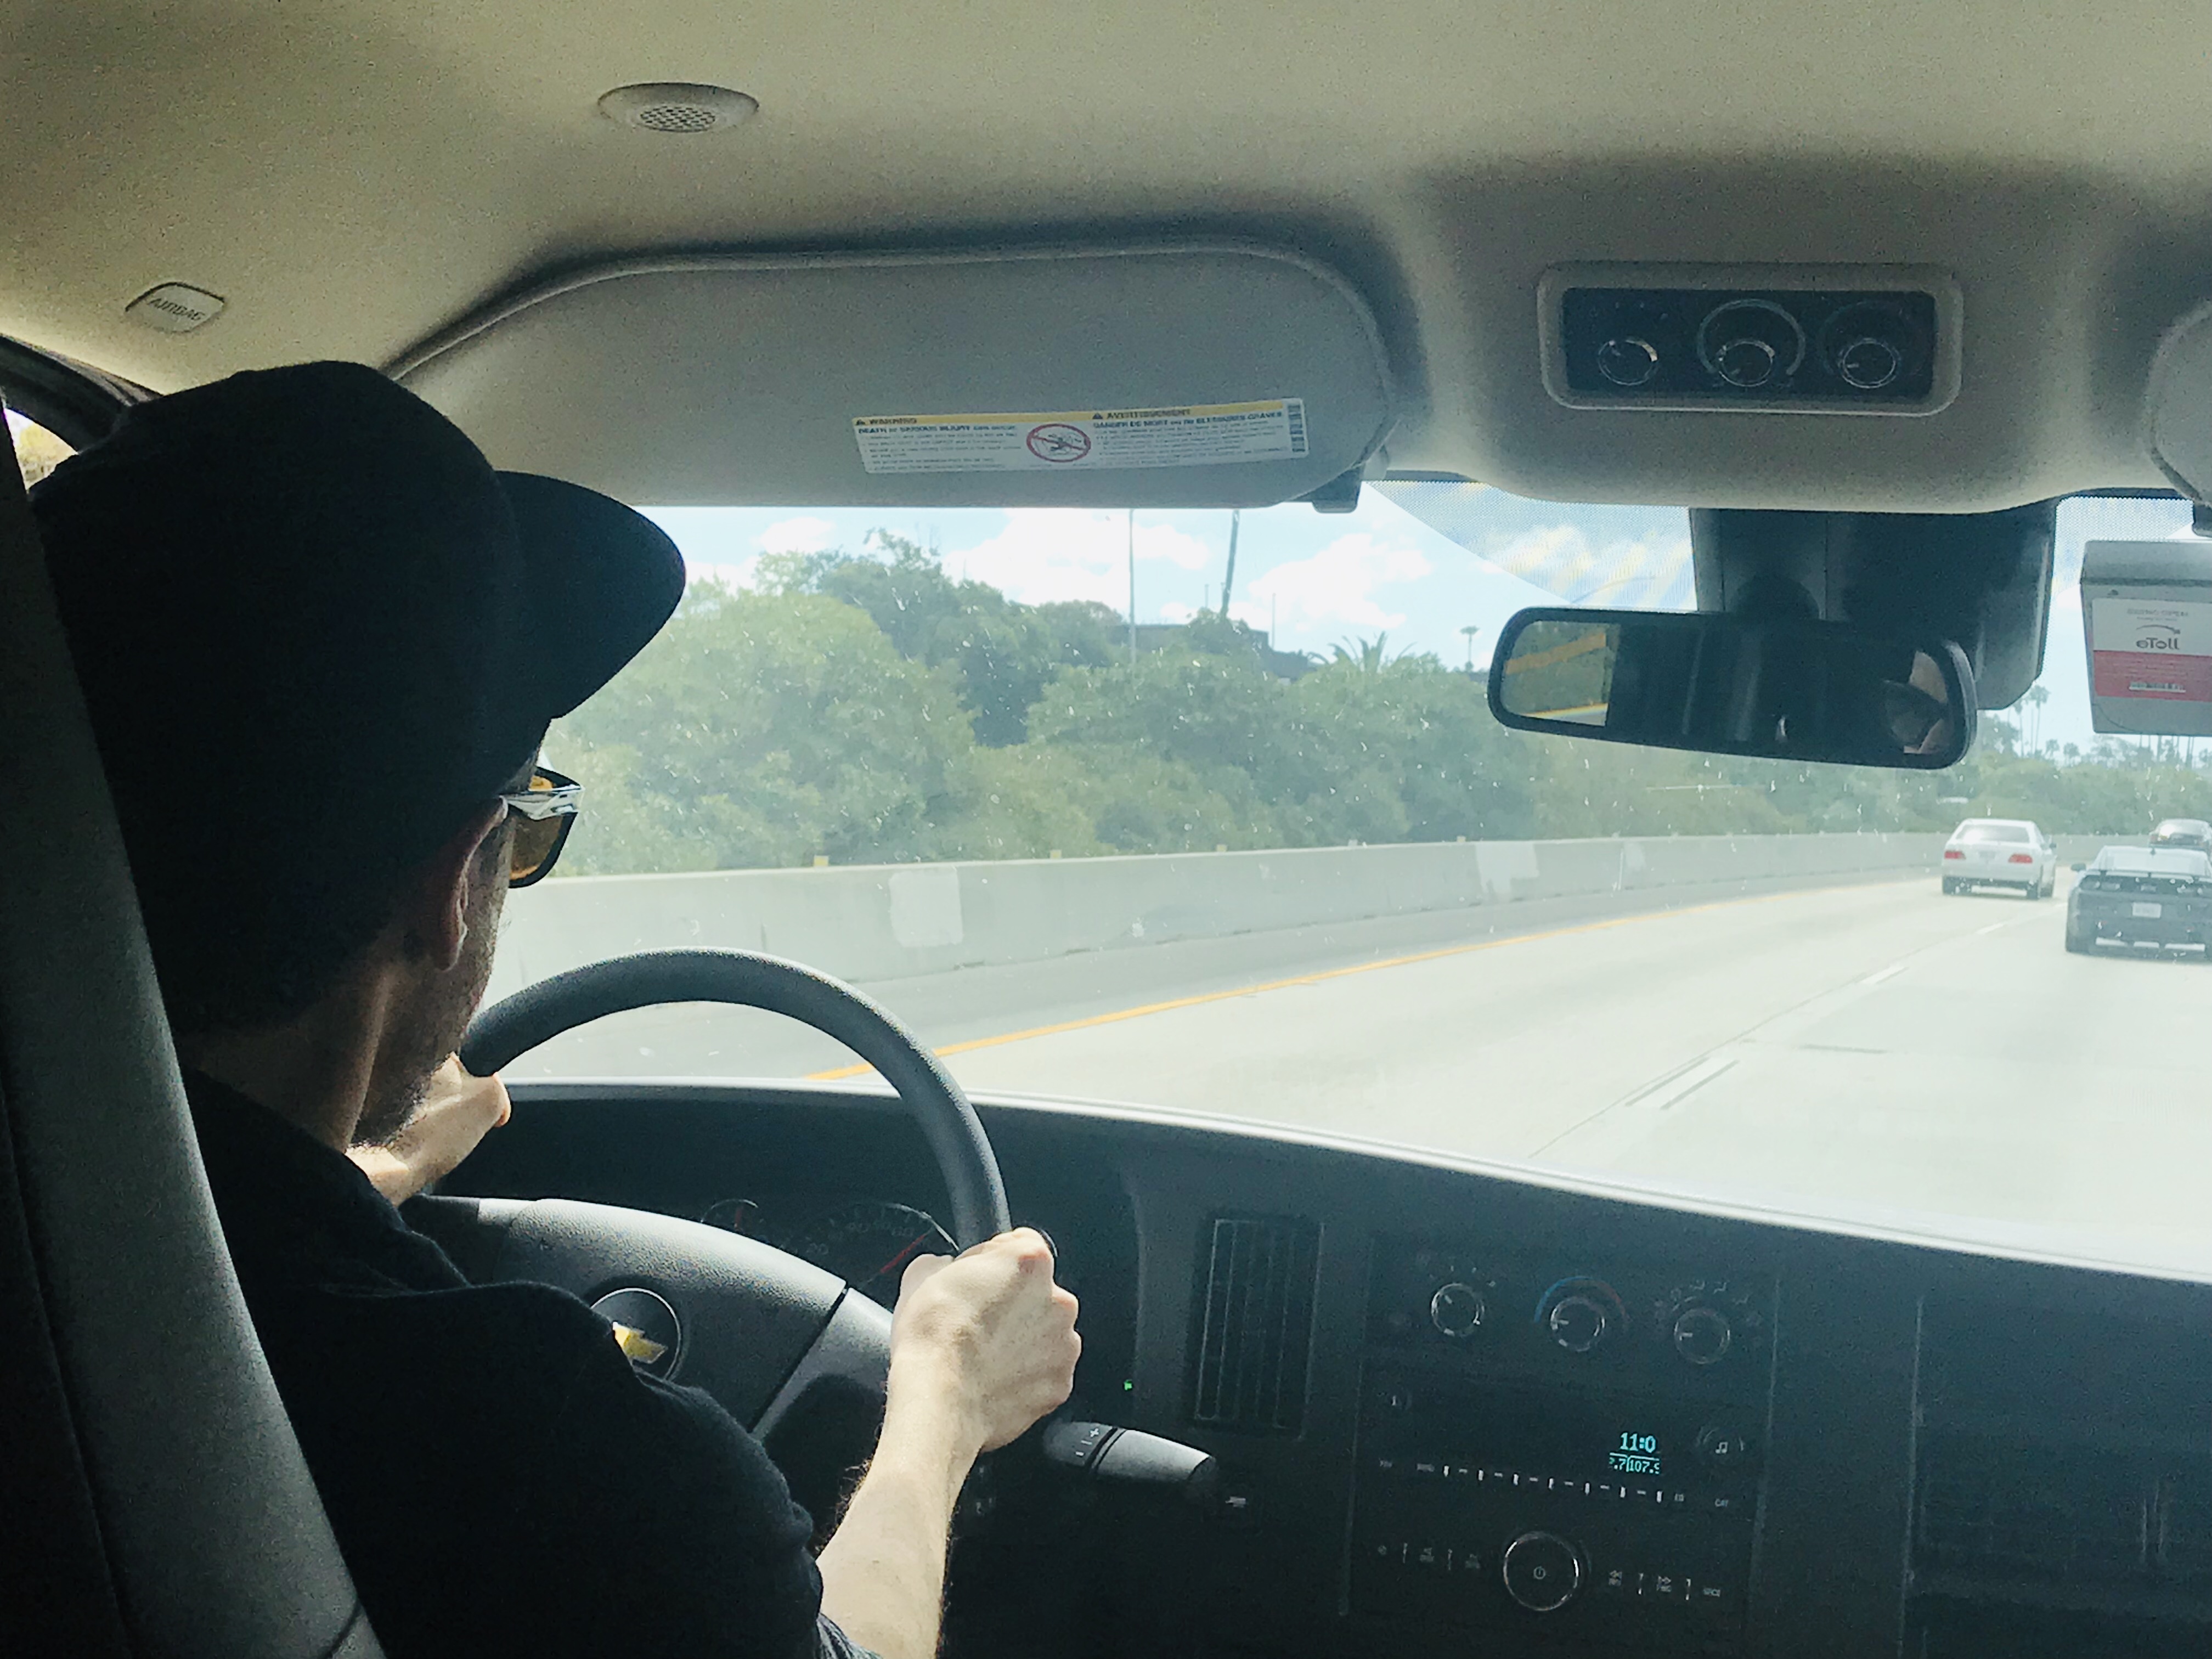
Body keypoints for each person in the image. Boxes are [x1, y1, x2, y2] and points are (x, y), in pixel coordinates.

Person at [31, 362, 1080, 1659]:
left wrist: (365, 1173)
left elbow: (177, 1246)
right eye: (527, 829)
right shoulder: (542, 1452)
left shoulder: (116, 1268)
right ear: (451, 882)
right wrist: (944, 1394)